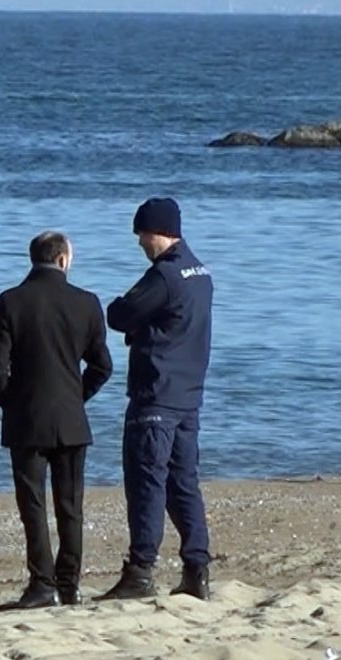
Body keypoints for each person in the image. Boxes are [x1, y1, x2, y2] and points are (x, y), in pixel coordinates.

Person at [97, 197, 214, 602]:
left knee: (146, 482)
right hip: (187, 395)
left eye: (142, 236)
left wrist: (132, 323)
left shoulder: (165, 275)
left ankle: (141, 570)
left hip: (157, 396)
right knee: (184, 482)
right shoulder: (199, 271)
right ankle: (196, 568)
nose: (140, 244)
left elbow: (121, 314)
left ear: (155, 232)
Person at [0, 232, 112, 610]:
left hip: (26, 419)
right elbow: (102, 365)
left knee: (33, 505)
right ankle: (69, 583)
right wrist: (78, 395)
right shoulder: (86, 303)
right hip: (71, 419)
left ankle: (42, 583)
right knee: (70, 505)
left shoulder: (11, 300)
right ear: (62, 260)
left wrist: (7, 399)